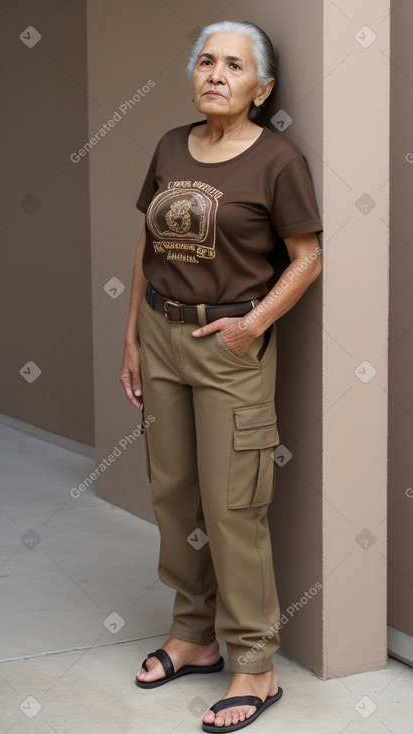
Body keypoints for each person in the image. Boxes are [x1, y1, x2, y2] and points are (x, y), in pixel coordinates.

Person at [120, 19, 322, 733]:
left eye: (233, 66)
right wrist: (132, 340)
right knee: (174, 496)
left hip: (229, 347)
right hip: (160, 333)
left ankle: (256, 664)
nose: (214, 74)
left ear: (260, 88)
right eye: (206, 61)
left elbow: (305, 257)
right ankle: (193, 634)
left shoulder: (277, 161)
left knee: (234, 507)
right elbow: (149, 238)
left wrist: (254, 323)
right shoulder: (172, 146)